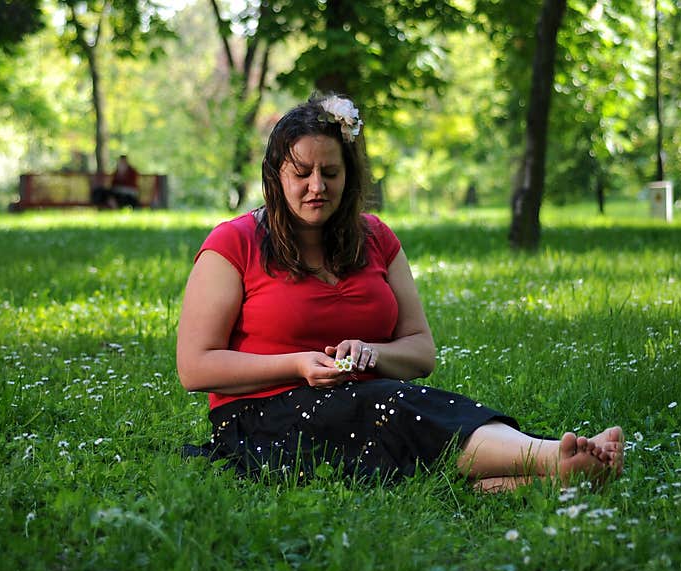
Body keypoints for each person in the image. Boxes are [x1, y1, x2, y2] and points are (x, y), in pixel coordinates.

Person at [176, 94, 624, 492]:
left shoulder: (375, 237)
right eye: (302, 173)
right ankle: (549, 456)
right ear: (276, 176)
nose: (318, 186)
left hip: (371, 401)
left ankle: (546, 477)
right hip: (261, 418)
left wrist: (373, 353)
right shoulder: (233, 243)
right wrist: (296, 364)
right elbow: (195, 368)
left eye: (331, 172)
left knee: (401, 410)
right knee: (390, 408)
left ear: (350, 177)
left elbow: (421, 352)